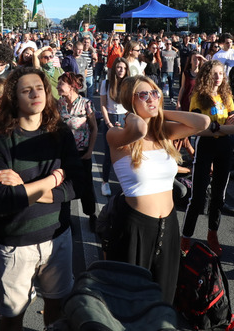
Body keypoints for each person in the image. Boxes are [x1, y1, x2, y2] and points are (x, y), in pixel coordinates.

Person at [0, 67, 82, 331]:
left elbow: (77, 185)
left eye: (39, 88)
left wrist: (24, 189)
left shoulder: (59, 132)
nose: (35, 94)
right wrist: (52, 180)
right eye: (26, 90)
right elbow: (2, 199)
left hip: (58, 236)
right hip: (16, 243)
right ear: (14, 98)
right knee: (13, 316)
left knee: (57, 309)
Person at [105, 76, 209, 303]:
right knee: (129, 302)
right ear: (129, 101)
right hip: (135, 228)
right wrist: (134, 113)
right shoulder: (117, 135)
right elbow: (139, 129)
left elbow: (202, 123)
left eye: (155, 93)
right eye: (144, 94)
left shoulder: (163, 132)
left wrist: (160, 110)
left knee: (163, 300)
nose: (152, 98)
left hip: (169, 225)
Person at [180, 60, 234, 256]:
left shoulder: (226, 95)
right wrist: (221, 128)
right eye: (214, 74)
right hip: (205, 147)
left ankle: (212, 234)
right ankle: (185, 239)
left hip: (225, 147)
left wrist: (215, 128)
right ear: (207, 76)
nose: (218, 77)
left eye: (220, 74)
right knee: (197, 198)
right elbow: (197, 129)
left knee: (219, 196)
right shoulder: (198, 97)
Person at [56, 72, 98, 230]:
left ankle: (92, 214)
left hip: (82, 152)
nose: (57, 86)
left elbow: (94, 129)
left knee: (86, 186)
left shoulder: (86, 103)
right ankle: (66, 219)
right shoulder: (59, 103)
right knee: (64, 185)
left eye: (61, 84)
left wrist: (90, 151)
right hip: (64, 153)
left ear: (72, 87)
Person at [99, 58, 131, 196]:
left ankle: (125, 184)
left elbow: (131, 105)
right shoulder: (106, 84)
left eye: (123, 68)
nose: (121, 70)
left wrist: (128, 120)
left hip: (125, 119)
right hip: (110, 119)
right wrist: (108, 123)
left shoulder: (129, 85)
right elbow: (103, 105)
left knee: (126, 154)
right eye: (118, 67)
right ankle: (105, 183)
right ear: (114, 69)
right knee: (109, 154)